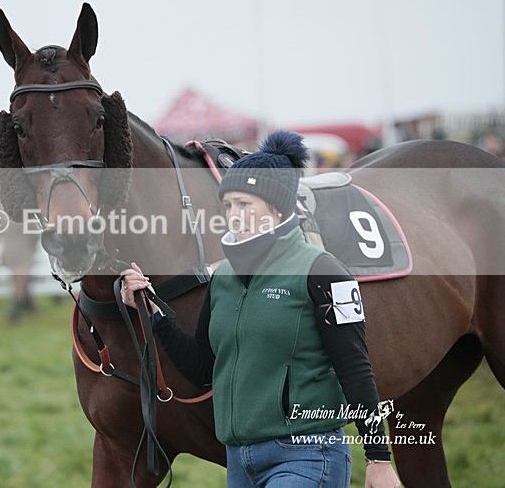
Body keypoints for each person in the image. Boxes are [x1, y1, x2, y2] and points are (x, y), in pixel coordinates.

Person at [121, 131, 401, 487]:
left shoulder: (323, 271)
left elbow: (355, 367)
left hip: (308, 456)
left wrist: (378, 458)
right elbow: (203, 368)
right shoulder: (222, 278)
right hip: (239, 463)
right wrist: (154, 313)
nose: (233, 216)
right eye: (228, 206)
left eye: (245, 204)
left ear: (276, 208)